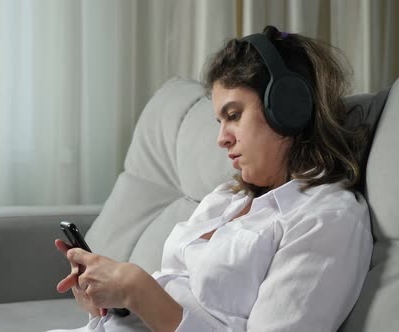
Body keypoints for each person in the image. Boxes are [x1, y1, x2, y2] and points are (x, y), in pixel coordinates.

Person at [48, 25, 373, 332]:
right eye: (219, 120)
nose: (221, 138)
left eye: (233, 115)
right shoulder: (226, 199)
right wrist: (108, 298)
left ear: (289, 108)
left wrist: (138, 290)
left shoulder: (326, 219)